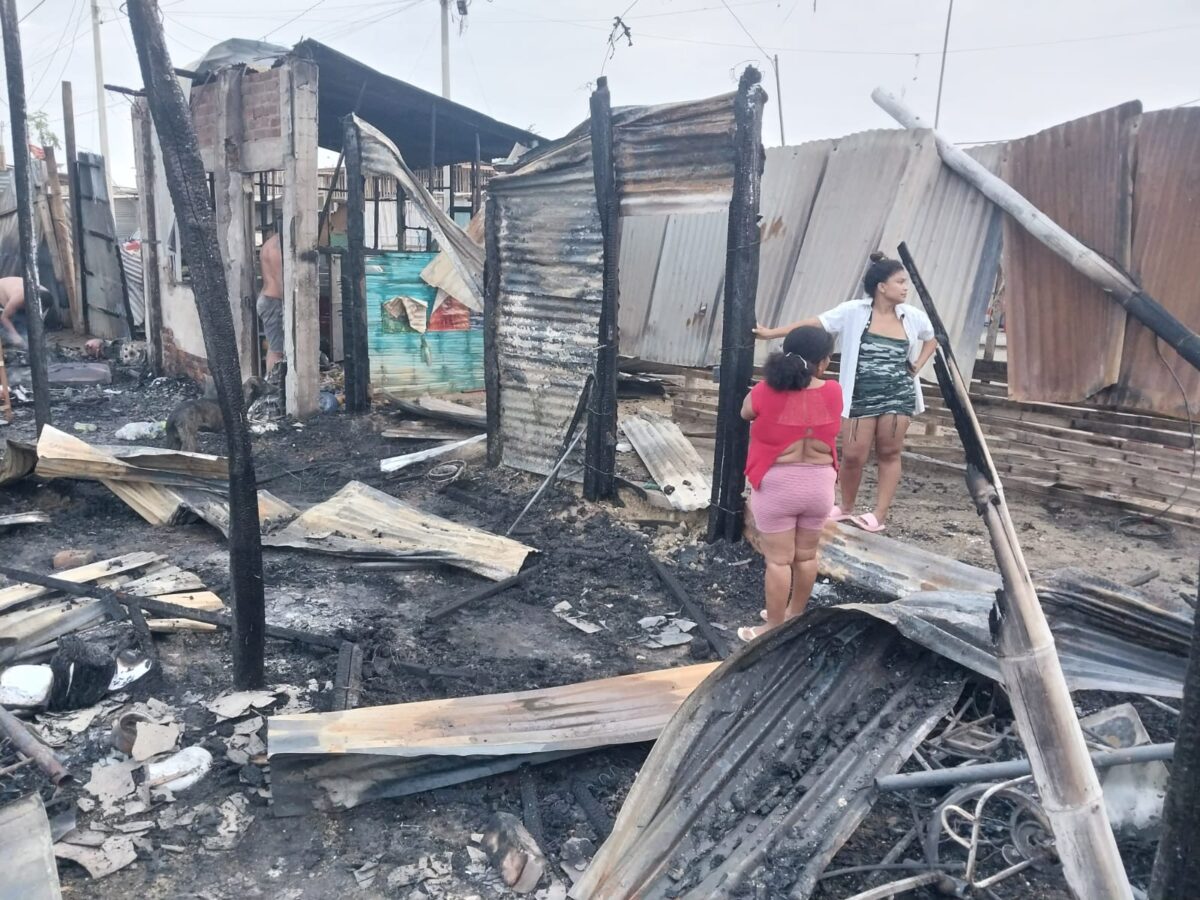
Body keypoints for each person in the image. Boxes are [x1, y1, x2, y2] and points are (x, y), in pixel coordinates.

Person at [754, 253, 937, 533]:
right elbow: (815, 323)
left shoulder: (912, 317)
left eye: (905, 283)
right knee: (853, 454)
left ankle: (879, 514)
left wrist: (918, 365)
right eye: (899, 282)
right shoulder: (854, 311)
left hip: (897, 396)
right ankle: (847, 507)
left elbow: (932, 337)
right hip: (859, 396)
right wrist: (772, 334)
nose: (905, 287)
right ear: (881, 286)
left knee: (889, 452)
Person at [737, 325, 841, 643]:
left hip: (778, 484)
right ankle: (795, 616)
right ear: (823, 362)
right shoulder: (834, 391)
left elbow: (745, 413)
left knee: (779, 561)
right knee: (806, 557)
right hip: (820, 485)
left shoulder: (766, 391)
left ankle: (773, 626)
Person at [257, 231, 284, 371]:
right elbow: (281, 282)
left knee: (274, 348)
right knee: (277, 351)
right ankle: (274, 387)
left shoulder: (268, 244)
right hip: (274, 301)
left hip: (267, 299)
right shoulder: (277, 248)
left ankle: (271, 383)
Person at [0, 276, 50, 349]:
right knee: (8, 323)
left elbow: (39, 320)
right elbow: (4, 318)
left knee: (23, 323)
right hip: (2, 290)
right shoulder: (19, 298)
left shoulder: (47, 298)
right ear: (33, 303)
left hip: (15, 287)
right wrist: (15, 336)